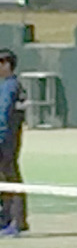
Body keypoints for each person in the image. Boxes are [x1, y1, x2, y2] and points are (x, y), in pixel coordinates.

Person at [0, 49, 26, 237]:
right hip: (7, 141)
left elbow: (4, 117)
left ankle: (16, 221)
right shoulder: (6, 86)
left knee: (10, 179)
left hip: (6, 143)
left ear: (7, 64)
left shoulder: (11, 86)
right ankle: (7, 218)